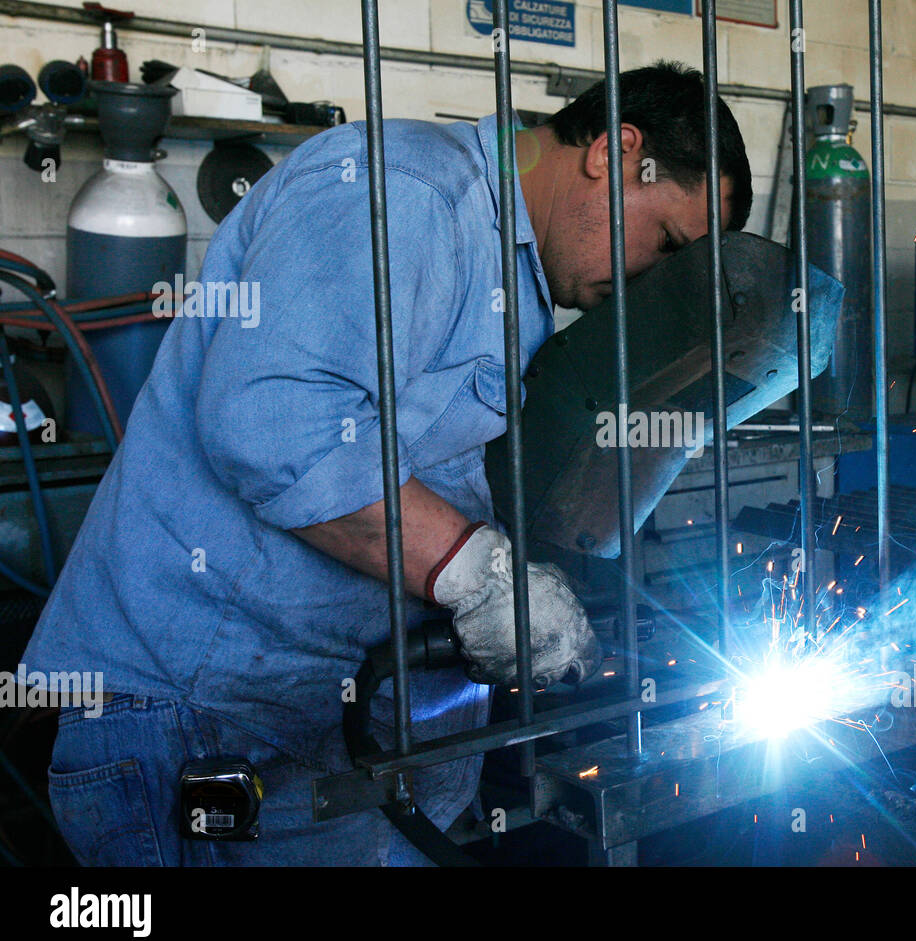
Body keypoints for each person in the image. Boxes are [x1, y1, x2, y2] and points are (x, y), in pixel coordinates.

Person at [20, 60, 752, 865]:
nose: (654, 274)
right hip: (201, 724)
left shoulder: (528, 282)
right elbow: (272, 423)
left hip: (333, 744)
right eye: (667, 241)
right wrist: (480, 576)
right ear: (615, 152)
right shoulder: (402, 191)